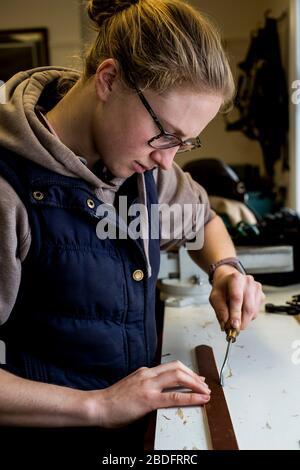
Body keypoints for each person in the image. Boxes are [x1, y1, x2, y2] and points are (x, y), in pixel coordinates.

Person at [0, 0, 264, 454]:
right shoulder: (10, 190)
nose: (168, 159)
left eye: (185, 143)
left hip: (131, 436)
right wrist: (99, 405)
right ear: (108, 80)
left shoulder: (147, 167)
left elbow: (203, 219)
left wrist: (225, 269)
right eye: (165, 134)